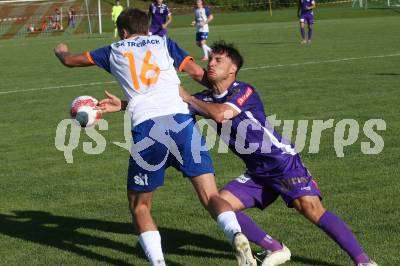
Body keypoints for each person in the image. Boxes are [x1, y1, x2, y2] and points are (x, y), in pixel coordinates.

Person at [53, 9, 256, 266]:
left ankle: (159, 263)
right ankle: (235, 234)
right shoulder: (163, 42)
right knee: (211, 196)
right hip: (183, 122)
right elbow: (196, 72)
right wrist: (225, 93)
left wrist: (60, 50)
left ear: (123, 32)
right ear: (147, 28)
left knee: (140, 206)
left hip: (148, 128)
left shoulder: (113, 49)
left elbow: (71, 60)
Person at [178, 41, 379, 266]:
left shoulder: (243, 90)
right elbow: (169, 106)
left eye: (218, 60)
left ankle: (364, 262)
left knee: (311, 210)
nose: (211, 63)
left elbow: (221, 114)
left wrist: (188, 98)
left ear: (232, 69)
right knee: (219, 204)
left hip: (282, 162)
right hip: (256, 171)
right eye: (211, 59)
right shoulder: (204, 99)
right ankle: (275, 247)